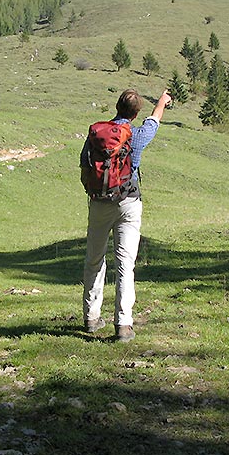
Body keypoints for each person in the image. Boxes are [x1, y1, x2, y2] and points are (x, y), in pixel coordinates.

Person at [80, 88, 172, 342]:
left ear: (117, 107)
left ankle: (91, 317)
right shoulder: (136, 136)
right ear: (135, 113)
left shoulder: (97, 135)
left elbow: (84, 165)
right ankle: (123, 324)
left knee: (94, 260)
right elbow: (154, 122)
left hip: (99, 203)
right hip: (129, 202)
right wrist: (162, 102)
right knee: (125, 263)